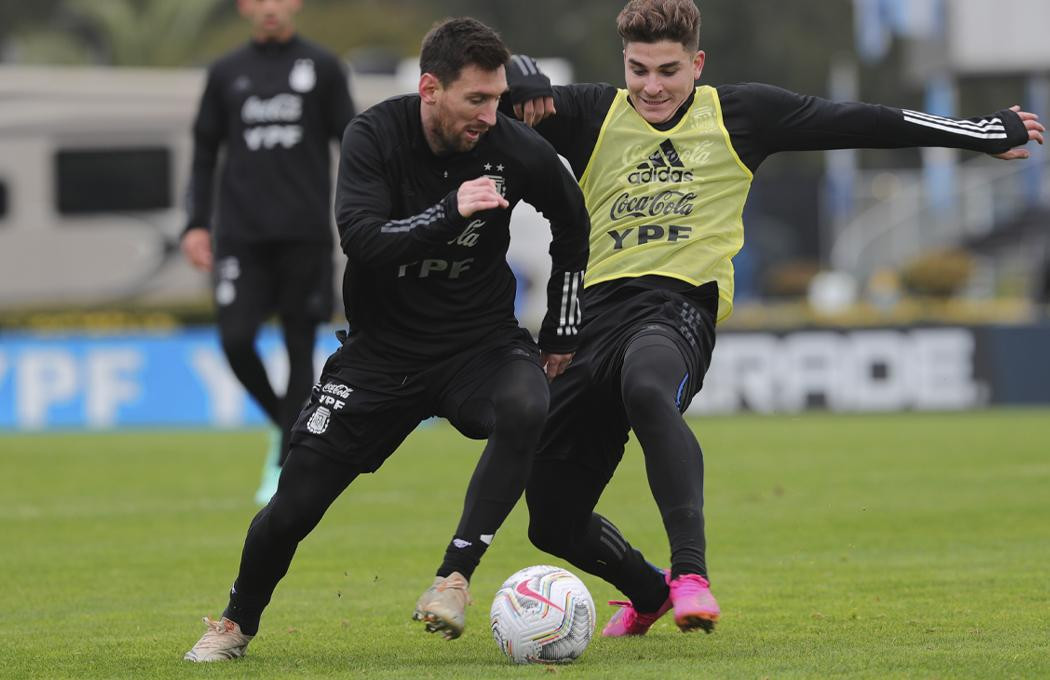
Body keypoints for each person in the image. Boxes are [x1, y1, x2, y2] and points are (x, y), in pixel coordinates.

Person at [505, 0, 1044, 638]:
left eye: (669, 71)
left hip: (678, 308)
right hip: (591, 324)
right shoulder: (593, 112)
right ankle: (648, 592)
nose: (652, 86)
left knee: (648, 386)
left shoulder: (743, 113)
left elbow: (865, 121)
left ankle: (690, 576)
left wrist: (980, 133)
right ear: (624, 62)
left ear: (697, 64)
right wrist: (523, 79)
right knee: (553, 523)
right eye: (639, 69)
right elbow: (492, 85)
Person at [183, 17, 590, 661]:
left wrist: (563, 328)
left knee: (527, 401)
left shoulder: (514, 148)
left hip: (477, 346)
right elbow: (364, 243)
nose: (491, 115)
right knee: (293, 506)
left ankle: (454, 577)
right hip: (380, 356)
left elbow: (573, 224)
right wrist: (450, 210)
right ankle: (236, 622)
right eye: (475, 100)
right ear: (430, 88)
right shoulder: (374, 134)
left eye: (497, 98)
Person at [181, 0, 355, 505]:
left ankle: (284, 463)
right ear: (244, 8)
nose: (270, 8)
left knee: (300, 346)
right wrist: (195, 224)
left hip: (304, 233)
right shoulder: (226, 73)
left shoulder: (322, 67)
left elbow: (353, 140)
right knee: (235, 340)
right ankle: (287, 424)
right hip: (240, 235)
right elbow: (203, 153)